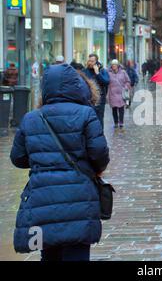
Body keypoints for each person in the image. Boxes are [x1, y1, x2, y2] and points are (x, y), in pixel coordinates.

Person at [10, 64, 110, 261]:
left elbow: (18, 157)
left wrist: (42, 160)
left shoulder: (31, 118)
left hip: (42, 198)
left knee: (48, 252)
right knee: (77, 253)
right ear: (79, 87)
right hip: (79, 198)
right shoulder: (86, 114)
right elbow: (99, 154)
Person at [82, 54, 110, 126]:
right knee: (89, 120)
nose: (90, 62)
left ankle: (100, 135)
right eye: (89, 61)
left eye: (92, 61)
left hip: (100, 100)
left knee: (99, 119)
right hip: (89, 99)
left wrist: (97, 73)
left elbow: (106, 82)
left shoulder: (102, 71)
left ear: (96, 62)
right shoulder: (84, 71)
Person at [108, 59, 131, 128]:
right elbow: (106, 81)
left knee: (121, 108)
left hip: (121, 92)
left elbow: (128, 81)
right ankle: (115, 122)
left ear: (118, 65)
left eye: (115, 64)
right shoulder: (109, 73)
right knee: (114, 108)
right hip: (112, 93)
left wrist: (126, 86)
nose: (113, 66)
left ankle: (121, 122)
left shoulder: (123, 72)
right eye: (112, 65)